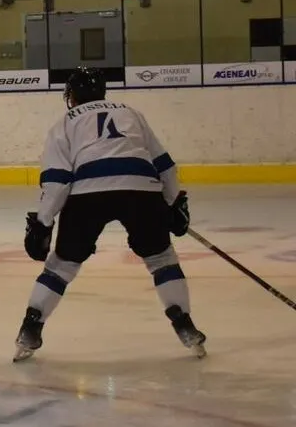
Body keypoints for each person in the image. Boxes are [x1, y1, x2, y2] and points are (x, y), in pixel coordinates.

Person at [14, 67, 205, 362]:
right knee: (161, 258)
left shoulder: (64, 123)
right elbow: (165, 166)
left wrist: (43, 221)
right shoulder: (131, 113)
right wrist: (170, 203)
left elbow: (58, 181)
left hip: (87, 193)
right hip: (140, 188)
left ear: (72, 96)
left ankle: (31, 327)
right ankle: (185, 325)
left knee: (61, 266)